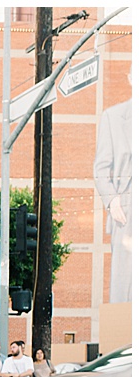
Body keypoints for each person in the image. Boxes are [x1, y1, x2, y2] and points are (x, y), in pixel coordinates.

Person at [94, 93, 131, 303]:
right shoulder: (113, 116)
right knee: (123, 275)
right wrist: (112, 200)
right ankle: (122, 331)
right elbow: (100, 168)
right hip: (126, 205)